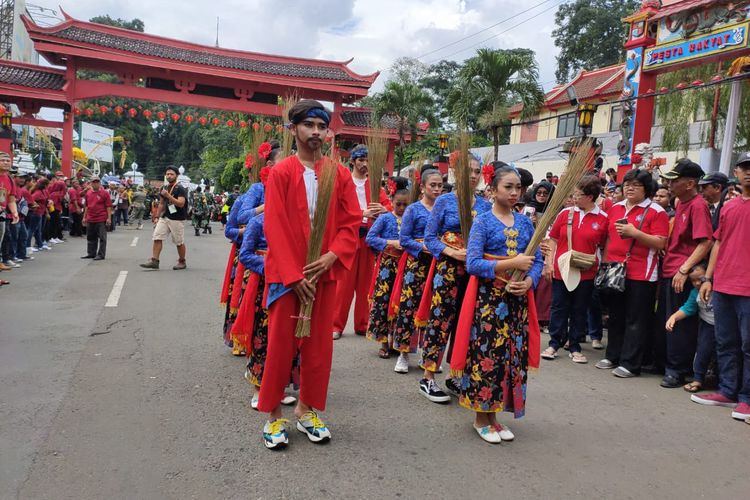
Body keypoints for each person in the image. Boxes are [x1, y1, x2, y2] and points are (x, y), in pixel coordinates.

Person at [257, 99, 360, 449]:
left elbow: (351, 221)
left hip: (324, 275)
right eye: (309, 126)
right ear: (293, 130)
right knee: (280, 347)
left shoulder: (339, 173)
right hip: (287, 279)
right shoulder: (281, 172)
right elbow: (274, 225)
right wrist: (292, 275)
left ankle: (306, 409)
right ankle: (273, 415)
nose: (316, 132)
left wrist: (333, 255)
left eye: (321, 126)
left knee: (318, 350)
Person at [454, 166, 543, 443]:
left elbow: (537, 259)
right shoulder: (482, 222)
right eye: (508, 187)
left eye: (518, 187)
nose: (515, 192)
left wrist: (529, 282)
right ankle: (481, 417)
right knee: (486, 356)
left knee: (510, 358)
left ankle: (496, 415)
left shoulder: (525, 223)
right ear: (492, 190)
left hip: (516, 303)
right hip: (489, 303)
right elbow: (473, 263)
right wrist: (510, 264)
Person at [418, 153, 491, 403]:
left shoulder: (485, 205)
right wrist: (451, 251)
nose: (472, 176)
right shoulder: (444, 201)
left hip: (473, 274)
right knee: (440, 321)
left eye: (477, 171)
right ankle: (428, 376)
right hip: (448, 271)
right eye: (468, 171)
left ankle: (455, 374)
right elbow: (429, 238)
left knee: (467, 322)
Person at [595, 169, 669, 378]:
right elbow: (608, 238)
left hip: (642, 274)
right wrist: (607, 261)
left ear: (646, 189)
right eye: (627, 184)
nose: (629, 188)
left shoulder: (656, 211)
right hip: (616, 270)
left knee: (636, 319)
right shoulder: (616, 208)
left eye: (636, 185)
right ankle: (613, 355)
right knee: (616, 316)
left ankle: (631, 363)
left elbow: (661, 242)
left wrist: (635, 233)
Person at [696, 153, 750, 422]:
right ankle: (727, 390)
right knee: (725, 341)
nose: (748, 172)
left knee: (748, 344)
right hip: (724, 285)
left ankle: (747, 398)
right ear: (736, 173)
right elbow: (717, 243)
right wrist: (708, 278)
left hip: (747, 289)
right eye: (744, 168)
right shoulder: (728, 208)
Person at [541, 175, 609, 364]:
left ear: (590, 196)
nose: (574, 198)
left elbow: (604, 246)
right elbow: (552, 240)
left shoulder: (603, 219)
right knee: (558, 307)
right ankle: (554, 343)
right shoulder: (566, 214)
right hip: (561, 269)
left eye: (578, 195)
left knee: (580, 309)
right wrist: (548, 263)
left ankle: (575, 345)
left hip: (586, 272)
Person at [658, 159, 713, 388]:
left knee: (680, 322)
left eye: (675, 180)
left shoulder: (698, 205)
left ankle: (678, 370)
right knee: (668, 318)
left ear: (690, 183)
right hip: (671, 267)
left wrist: (684, 269)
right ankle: (667, 363)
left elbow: (706, 242)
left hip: (683, 271)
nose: (670, 185)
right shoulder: (681, 202)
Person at [331, 145, 392, 340]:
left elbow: (389, 206)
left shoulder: (374, 185)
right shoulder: (343, 181)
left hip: (368, 238)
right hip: (348, 237)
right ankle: (336, 325)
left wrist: (384, 210)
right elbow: (336, 209)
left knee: (365, 283)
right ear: (353, 161)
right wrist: (361, 214)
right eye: (361, 160)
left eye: (368, 160)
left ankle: (362, 323)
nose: (365, 164)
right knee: (344, 285)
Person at [392, 168, 443, 373]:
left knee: (434, 309)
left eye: (440, 185)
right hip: (417, 264)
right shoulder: (413, 209)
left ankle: (428, 353)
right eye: (433, 185)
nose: (437, 189)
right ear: (422, 187)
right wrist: (424, 247)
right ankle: (403, 353)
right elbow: (404, 239)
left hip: (439, 264)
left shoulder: (446, 208)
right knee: (409, 307)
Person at [365, 188, 409, 358]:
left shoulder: (410, 219)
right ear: (391, 201)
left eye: (406, 204)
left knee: (400, 303)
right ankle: (383, 342)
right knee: (383, 301)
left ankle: (396, 341)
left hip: (406, 267)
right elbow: (371, 238)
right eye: (398, 204)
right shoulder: (385, 218)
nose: (402, 208)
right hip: (386, 266)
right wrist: (390, 242)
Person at [666, 263, 714, 393]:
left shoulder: (717, 290)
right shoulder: (694, 293)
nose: (697, 283)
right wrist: (674, 317)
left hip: (722, 325)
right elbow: (688, 308)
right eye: (693, 280)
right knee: (702, 351)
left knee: (723, 353)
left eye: (701, 279)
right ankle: (698, 379)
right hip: (706, 325)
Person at [140, 166, 189, 270]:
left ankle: (182, 261)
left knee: (178, 242)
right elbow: (162, 203)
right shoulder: (164, 188)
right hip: (165, 216)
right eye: (167, 174)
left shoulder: (180, 188)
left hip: (177, 218)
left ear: (176, 175)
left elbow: (181, 204)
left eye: (172, 174)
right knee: (157, 236)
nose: (169, 176)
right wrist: (157, 216)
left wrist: (169, 196)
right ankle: (155, 261)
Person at [81, 176, 112, 260]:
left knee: (102, 238)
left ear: (99, 183)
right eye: (93, 182)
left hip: (101, 218)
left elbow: (108, 206)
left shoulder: (105, 193)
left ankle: (101, 255)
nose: (95, 184)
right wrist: (84, 217)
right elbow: (86, 206)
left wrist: (109, 218)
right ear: (91, 183)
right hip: (90, 218)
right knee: (90, 237)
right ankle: (91, 253)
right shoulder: (88, 193)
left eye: (97, 182)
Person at [0, 152, 20, 273]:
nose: (6, 162)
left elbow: (11, 198)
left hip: (2, 214)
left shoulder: (9, 179)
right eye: (3, 160)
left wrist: (14, 212)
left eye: (8, 161)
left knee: (1, 239)